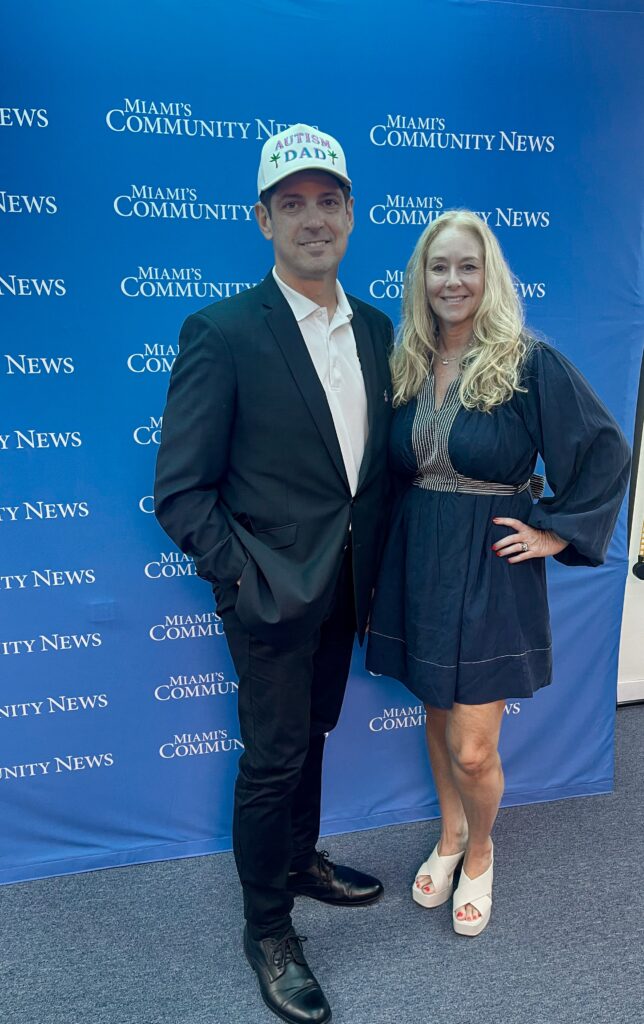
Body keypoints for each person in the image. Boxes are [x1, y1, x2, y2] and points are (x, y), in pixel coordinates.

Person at [155, 124, 393, 1023]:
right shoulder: (219, 331)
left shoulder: (375, 327)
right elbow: (180, 492)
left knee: (316, 735)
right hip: (269, 596)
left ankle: (302, 860)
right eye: (291, 205)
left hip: (350, 590)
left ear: (351, 214)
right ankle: (267, 929)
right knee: (273, 759)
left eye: (327, 201)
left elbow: (368, 471)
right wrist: (244, 580)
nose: (313, 219)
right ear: (262, 221)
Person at [366, 209, 630, 937]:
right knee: (436, 709)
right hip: (419, 557)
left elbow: (606, 448)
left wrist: (554, 534)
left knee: (474, 746)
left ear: (490, 276)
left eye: (467, 266)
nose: (453, 280)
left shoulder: (526, 361)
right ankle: (448, 836)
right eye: (439, 267)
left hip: (489, 564)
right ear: (422, 278)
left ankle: (480, 849)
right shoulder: (408, 362)